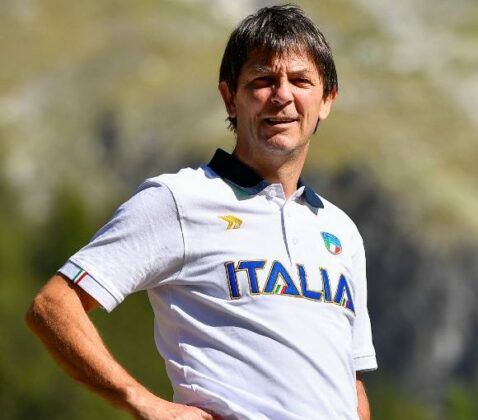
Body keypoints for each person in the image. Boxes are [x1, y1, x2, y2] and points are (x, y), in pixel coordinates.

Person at [26, 4, 377, 420]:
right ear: (230, 99)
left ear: (327, 100)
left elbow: (350, 382)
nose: (282, 95)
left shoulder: (341, 230)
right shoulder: (178, 199)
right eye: (263, 80)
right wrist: (144, 402)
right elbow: (53, 306)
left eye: (301, 81)